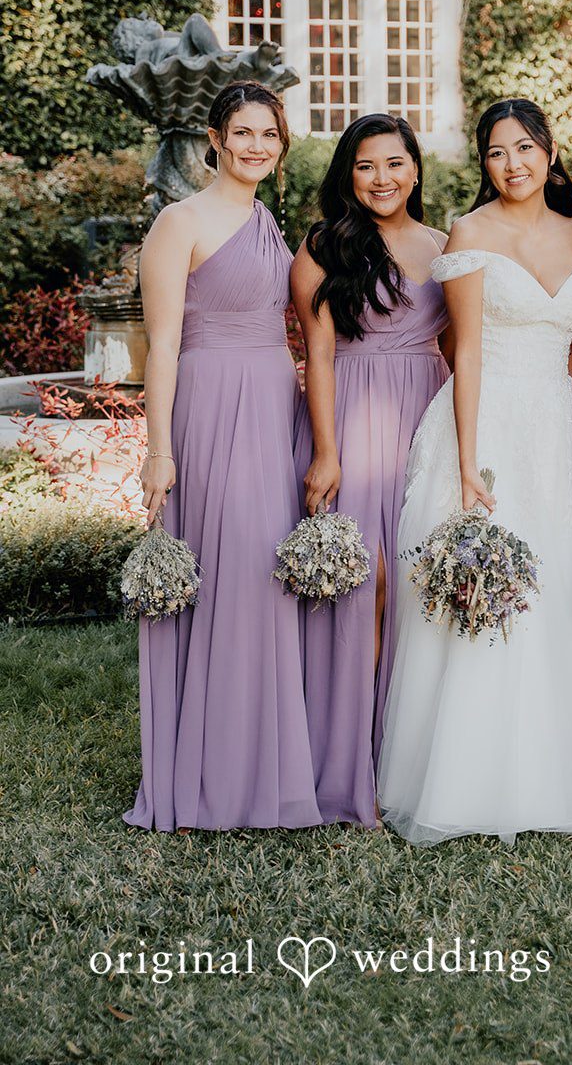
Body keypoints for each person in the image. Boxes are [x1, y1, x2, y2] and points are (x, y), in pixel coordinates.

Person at [376, 98, 572, 845]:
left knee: (553, 581)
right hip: (484, 420)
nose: (513, 164)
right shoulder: (470, 234)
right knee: (479, 586)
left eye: (526, 148)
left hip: (555, 422)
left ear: (548, 151)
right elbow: (465, 350)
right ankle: (460, 780)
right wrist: (471, 462)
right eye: (498, 152)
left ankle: (548, 775)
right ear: (484, 163)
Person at [126, 82, 320, 832]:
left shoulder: (268, 220)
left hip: (274, 406)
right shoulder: (180, 222)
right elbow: (164, 345)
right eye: (242, 132)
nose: (256, 147)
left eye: (268, 134)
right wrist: (158, 449)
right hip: (211, 404)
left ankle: (261, 764)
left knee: (264, 576)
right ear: (214, 138)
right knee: (229, 572)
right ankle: (210, 773)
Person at [291, 114, 450, 826]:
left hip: (427, 413)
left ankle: (402, 761)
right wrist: (326, 449)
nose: (381, 178)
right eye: (365, 166)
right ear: (347, 176)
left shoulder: (447, 247)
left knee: (417, 580)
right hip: (353, 410)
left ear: (415, 169)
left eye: (394, 163)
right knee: (365, 582)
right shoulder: (326, 245)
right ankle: (345, 762)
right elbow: (317, 353)